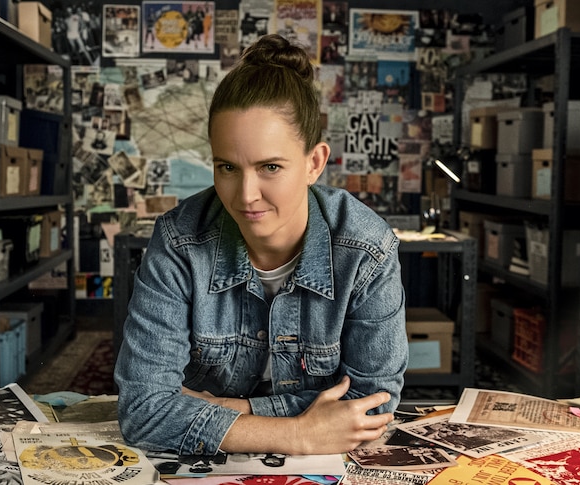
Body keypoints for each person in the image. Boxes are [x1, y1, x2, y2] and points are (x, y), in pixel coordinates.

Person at [114, 33, 407, 456]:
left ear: (314, 163)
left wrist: (238, 409)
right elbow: (143, 411)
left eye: (270, 166)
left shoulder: (366, 250)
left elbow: (374, 404)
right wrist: (298, 434)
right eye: (228, 167)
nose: (246, 194)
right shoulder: (180, 240)